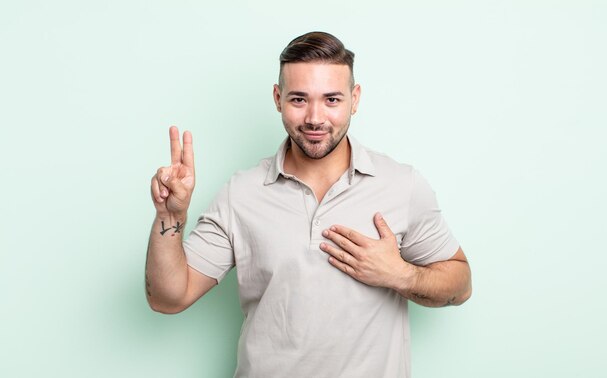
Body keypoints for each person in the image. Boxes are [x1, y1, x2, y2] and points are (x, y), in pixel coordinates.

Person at [145, 31, 472, 378]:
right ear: (277, 97)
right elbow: (168, 297)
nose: (315, 118)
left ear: (354, 98)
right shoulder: (240, 193)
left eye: (332, 100)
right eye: (299, 99)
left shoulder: (401, 185)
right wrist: (170, 215)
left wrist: (400, 274)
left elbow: (461, 283)